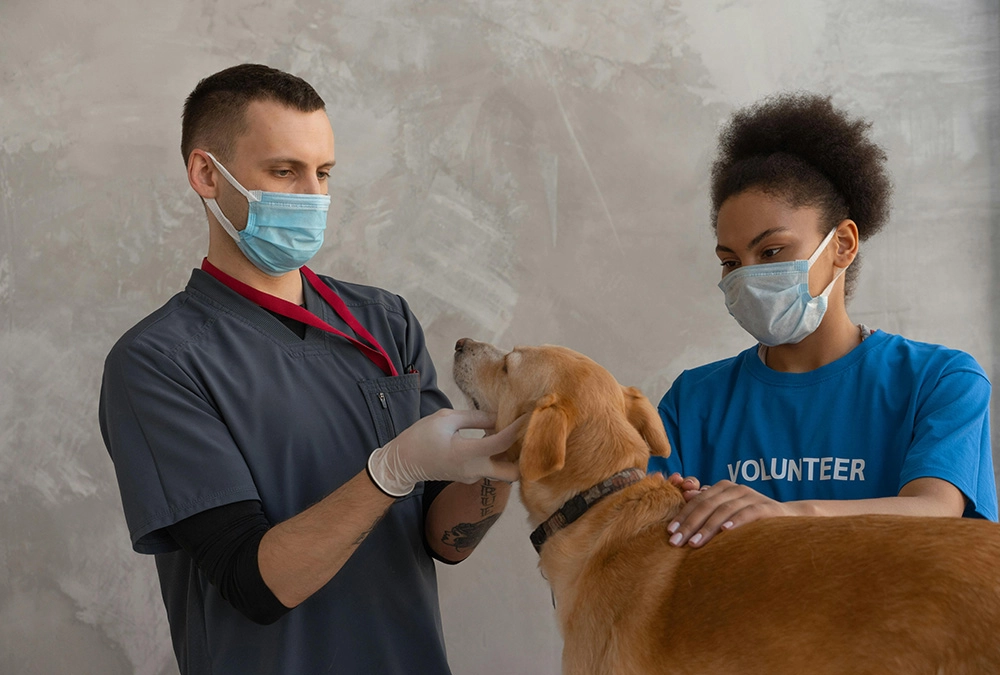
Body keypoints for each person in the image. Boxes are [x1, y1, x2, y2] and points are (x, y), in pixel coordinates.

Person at [99, 64, 522, 675]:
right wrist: (392, 468)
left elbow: (441, 538)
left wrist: (499, 463)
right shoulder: (158, 363)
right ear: (206, 175)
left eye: (322, 173)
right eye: (283, 172)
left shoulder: (383, 322)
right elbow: (255, 583)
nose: (312, 196)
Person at [649, 93, 997, 549]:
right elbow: (645, 547)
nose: (750, 277)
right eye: (731, 262)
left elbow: (935, 510)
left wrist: (785, 515)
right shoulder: (692, 403)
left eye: (771, 252)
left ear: (843, 245)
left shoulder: (939, 380)